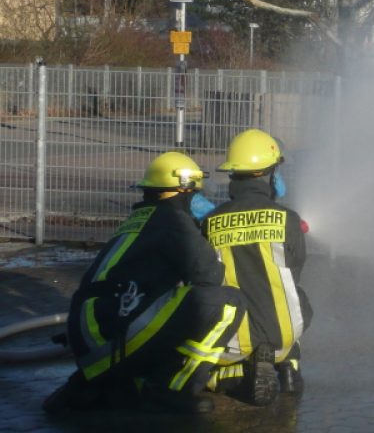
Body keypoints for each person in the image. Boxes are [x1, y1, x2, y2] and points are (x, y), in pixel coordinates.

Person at [44, 152, 247, 415]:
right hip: (110, 340)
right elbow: (209, 276)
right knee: (229, 302)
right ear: (183, 191)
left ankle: (105, 382)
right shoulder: (174, 222)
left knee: (171, 305)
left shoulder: (137, 222)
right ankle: (171, 387)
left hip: (91, 340)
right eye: (194, 193)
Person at [203, 128, 312, 407]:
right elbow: (295, 271)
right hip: (285, 331)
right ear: (271, 175)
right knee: (294, 295)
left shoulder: (211, 221)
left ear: (232, 175)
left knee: (208, 370)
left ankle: (238, 374)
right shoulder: (288, 219)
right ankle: (290, 369)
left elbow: (206, 278)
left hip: (235, 336)